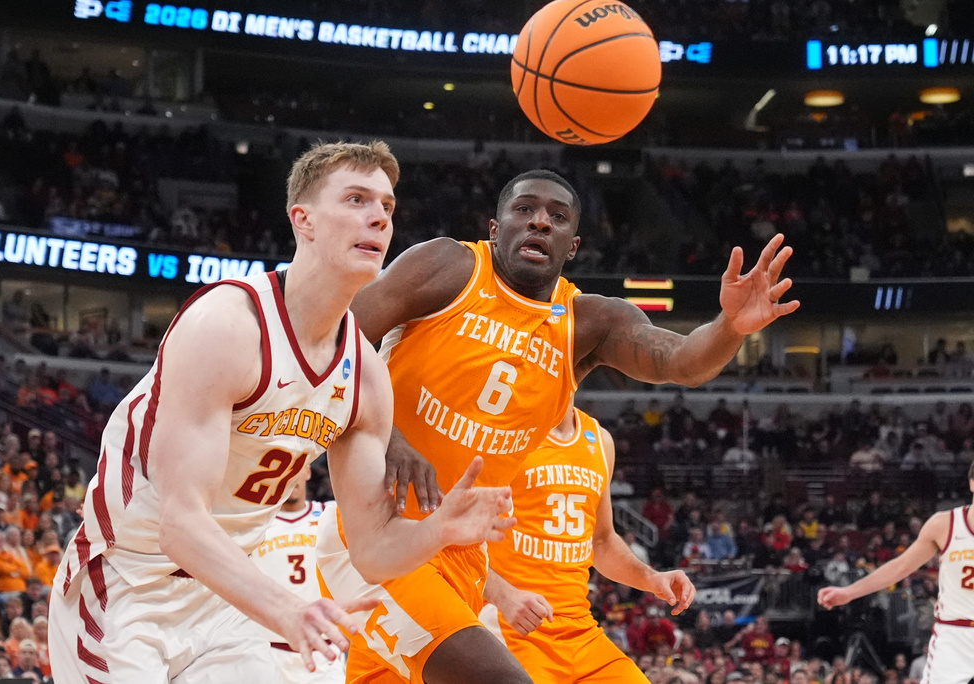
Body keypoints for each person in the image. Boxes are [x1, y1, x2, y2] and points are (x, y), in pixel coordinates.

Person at [48, 141, 516, 682]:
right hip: (128, 584)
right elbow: (179, 525)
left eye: (387, 207)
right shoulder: (227, 324)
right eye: (357, 199)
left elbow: (373, 550)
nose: (378, 217)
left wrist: (438, 530)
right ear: (304, 220)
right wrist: (287, 608)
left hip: (228, 597)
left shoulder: (365, 376)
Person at [319, 168, 798, 683]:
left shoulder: (587, 324)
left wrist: (729, 328)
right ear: (495, 228)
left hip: (460, 555)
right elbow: (333, 340)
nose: (541, 222)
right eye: (524, 210)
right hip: (372, 536)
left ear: (573, 246)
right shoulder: (449, 266)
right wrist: (388, 435)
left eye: (558, 217)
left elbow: (680, 361)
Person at [482, 401, 695, 682]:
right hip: (511, 623)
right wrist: (503, 594)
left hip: (579, 629)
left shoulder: (599, 438)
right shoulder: (498, 429)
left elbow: (602, 541)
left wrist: (650, 578)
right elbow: (452, 541)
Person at [818, 460, 974, 684]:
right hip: (954, 634)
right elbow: (901, 567)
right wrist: (849, 592)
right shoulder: (945, 524)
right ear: (971, 483)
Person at [249, 464, 345, 683]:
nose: (289, 475)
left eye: (296, 467)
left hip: (325, 651)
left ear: (308, 472)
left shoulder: (332, 514)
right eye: (282, 469)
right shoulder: (254, 524)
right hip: (267, 652)